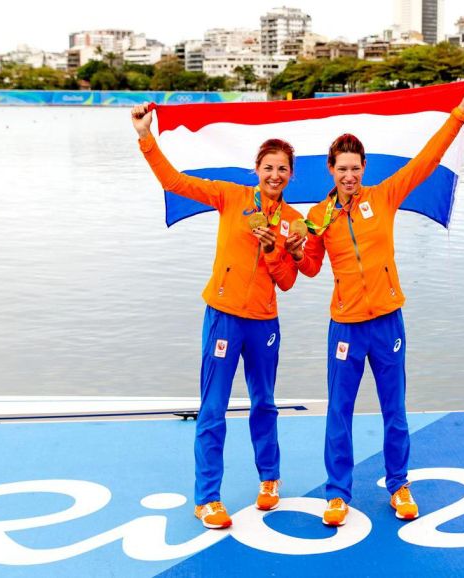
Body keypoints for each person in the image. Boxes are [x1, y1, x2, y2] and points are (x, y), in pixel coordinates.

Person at [287, 84, 464, 526]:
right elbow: (311, 269)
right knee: (339, 413)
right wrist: (299, 250)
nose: (349, 176)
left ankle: (398, 485)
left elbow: (425, 162)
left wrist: (459, 114)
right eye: (342, 169)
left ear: (364, 168)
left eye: (356, 168)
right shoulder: (317, 216)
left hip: (388, 324)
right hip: (346, 327)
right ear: (330, 170)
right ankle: (337, 494)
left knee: (394, 410)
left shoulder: (384, 196)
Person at [131, 103, 305, 530]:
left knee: (264, 403)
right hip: (224, 317)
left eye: (283, 169)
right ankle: (207, 498)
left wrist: (273, 252)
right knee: (213, 408)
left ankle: (269, 479)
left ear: (291, 175)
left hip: (264, 323)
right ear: (257, 169)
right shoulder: (231, 197)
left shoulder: (294, 222)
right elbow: (174, 182)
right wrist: (144, 136)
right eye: (268, 167)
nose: (275, 175)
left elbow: (287, 282)